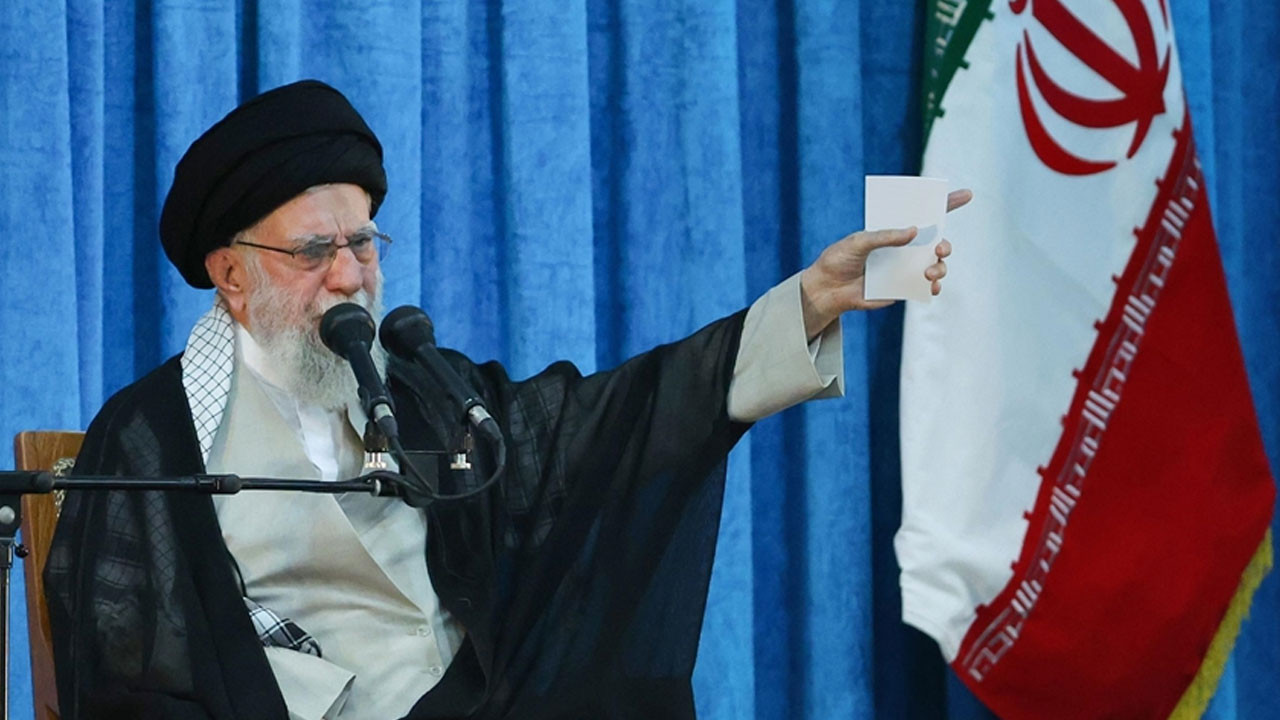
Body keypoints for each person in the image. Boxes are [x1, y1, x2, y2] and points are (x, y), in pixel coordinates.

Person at [45, 80, 966, 720]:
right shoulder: (155, 437)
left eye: (362, 245)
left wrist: (806, 303)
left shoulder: (427, 387)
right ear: (231, 276)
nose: (350, 278)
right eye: (314, 251)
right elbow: (127, 668)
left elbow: (612, 423)